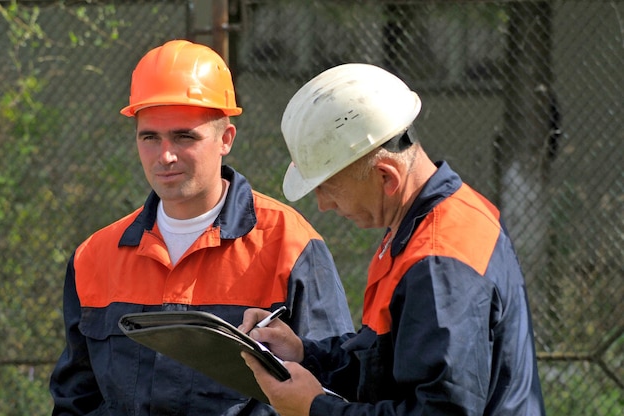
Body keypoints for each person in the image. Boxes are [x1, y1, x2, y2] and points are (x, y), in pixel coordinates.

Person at [49, 40, 354, 416]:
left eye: (184, 136)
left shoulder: (289, 244)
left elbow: (332, 386)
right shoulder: (94, 257)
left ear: (226, 139)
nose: (165, 156)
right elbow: (75, 400)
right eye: (150, 137)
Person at [240, 63, 546, 415]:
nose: (323, 206)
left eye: (328, 189)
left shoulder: (438, 262)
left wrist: (315, 409)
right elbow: (386, 363)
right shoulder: (429, 224)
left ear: (386, 177)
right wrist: (304, 354)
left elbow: (439, 411)